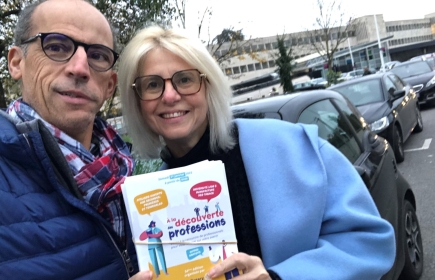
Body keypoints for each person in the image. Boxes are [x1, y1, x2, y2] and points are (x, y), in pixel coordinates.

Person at [118, 26, 396, 279]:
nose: (169, 96)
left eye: (186, 79)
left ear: (209, 86)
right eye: (152, 85)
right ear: (137, 102)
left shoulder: (295, 147)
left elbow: (370, 242)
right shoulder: (148, 202)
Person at [0, 0, 152, 279]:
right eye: (56, 46)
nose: (80, 68)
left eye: (97, 55)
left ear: (109, 85)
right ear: (16, 62)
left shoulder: (136, 175)